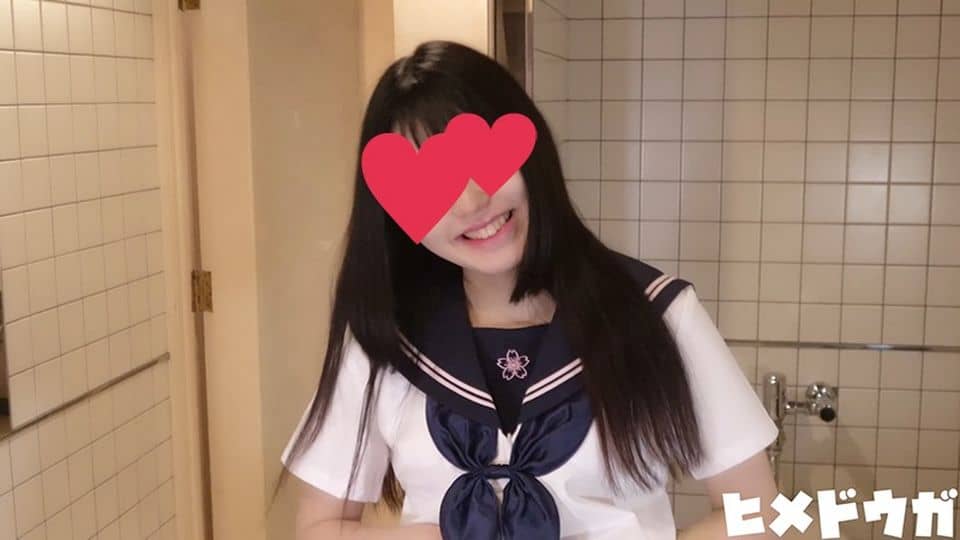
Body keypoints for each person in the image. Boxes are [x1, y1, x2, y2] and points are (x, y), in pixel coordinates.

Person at [274, 40, 780, 540]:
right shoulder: (385, 334)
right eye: (431, 183)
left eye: (480, 158)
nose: (470, 202)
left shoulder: (659, 312)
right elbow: (318, 527)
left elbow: (767, 516)